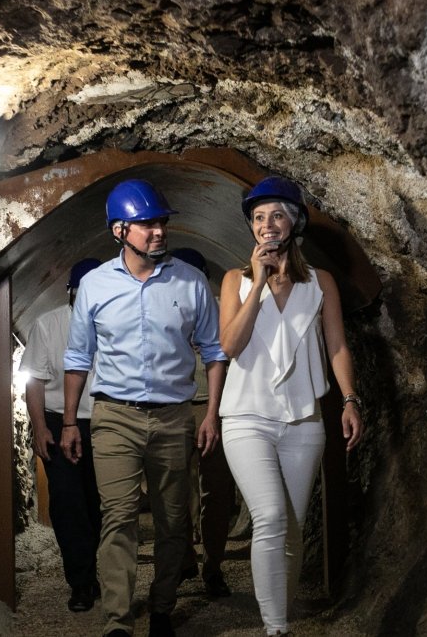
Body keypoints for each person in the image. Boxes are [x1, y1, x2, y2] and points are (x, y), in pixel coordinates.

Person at [62, 179, 227, 637]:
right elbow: (78, 358)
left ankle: (161, 608)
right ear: (119, 231)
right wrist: (71, 421)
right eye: (146, 224)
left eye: (161, 223)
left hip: (174, 417)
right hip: (114, 416)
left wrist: (210, 414)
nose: (158, 231)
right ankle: (117, 622)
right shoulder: (94, 286)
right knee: (118, 517)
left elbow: (214, 353)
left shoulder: (191, 283)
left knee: (175, 519)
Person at [217, 176, 364, 636]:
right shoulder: (235, 281)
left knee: (293, 529)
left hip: (304, 420)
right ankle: (275, 627)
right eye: (259, 218)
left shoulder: (319, 283)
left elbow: (337, 346)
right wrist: (258, 283)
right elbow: (230, 344)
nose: (267, 225)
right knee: (272, 516)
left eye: (276, 215)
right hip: (246, 418)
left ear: (294, 222)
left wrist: (349, 400)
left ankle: (279, 607)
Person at [21, 257, 104, 613]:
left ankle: (99, 568)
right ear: (71, 292)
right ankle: (82, 581)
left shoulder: (116, 324)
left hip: (105, 422)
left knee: (99, 504)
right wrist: (39, 427)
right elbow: (35, 380)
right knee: (68, 503)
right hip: (59, 421)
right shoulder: (48, 324)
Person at [170, 247, 236, 600]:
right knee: (175, 492)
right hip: (177, 409)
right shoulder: (163, 304)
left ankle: (212, 566)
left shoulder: (223, 308)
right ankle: (184, 561)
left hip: (217, 409)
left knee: (217, 492)